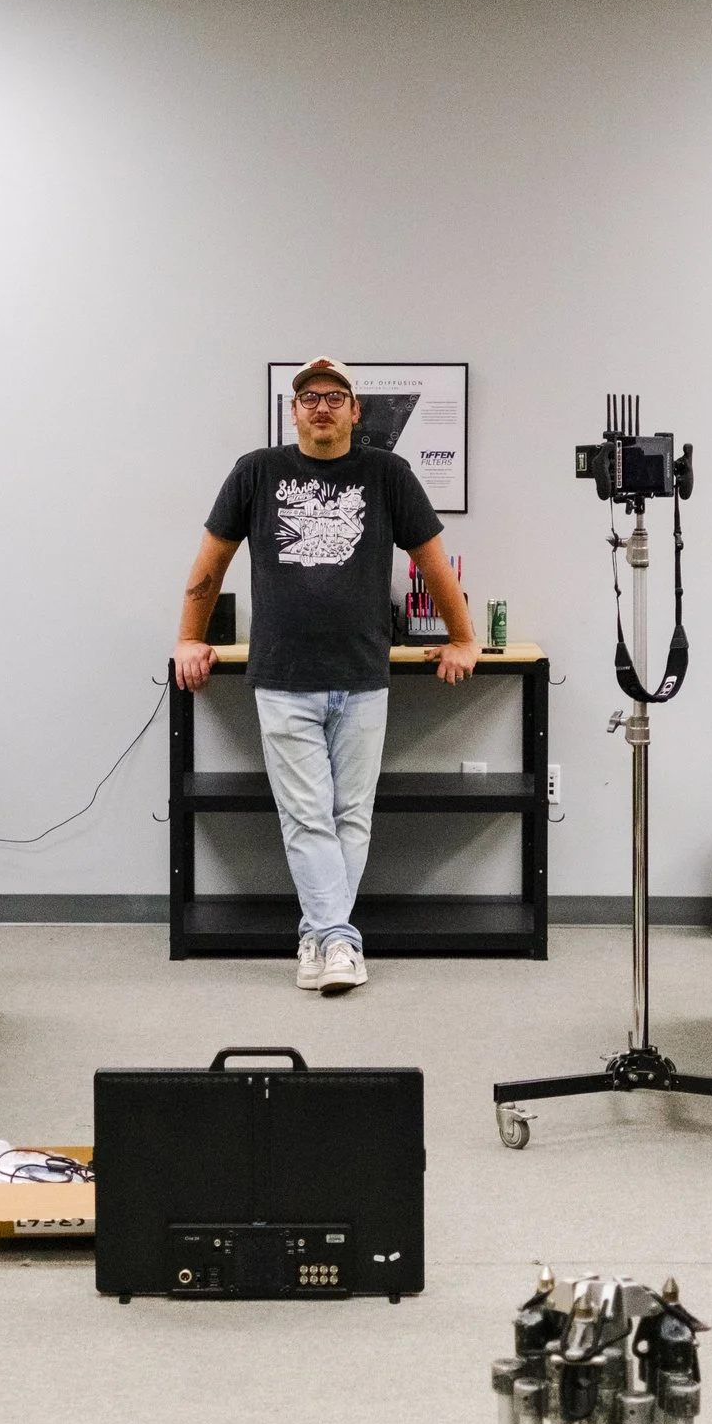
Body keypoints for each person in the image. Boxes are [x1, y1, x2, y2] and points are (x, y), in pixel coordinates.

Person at [173, 357, 480, 995]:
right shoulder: (256, 471)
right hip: (284, 677)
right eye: (309, 396)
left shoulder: (387, 474)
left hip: (363, 675)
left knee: (352, 815)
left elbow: (432, 560)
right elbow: (211, 560)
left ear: (355, 411)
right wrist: (189, 637)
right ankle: (340, 941)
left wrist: (463, 637)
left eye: (335, 397)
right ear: (294, 411)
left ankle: (318, 936)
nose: (321, 406)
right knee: (307, 816)